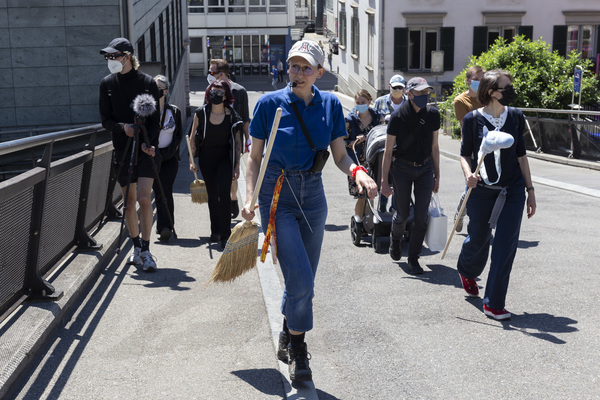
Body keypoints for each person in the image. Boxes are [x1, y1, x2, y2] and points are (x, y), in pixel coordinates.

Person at [242, 40, 377, 382]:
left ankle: (288, 331)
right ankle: (299, 352)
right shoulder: (269, 105)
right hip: (277, 194)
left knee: (304, 279)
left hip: (313, 195)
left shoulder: (330, 104)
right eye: (293, 66)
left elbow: (340, 155)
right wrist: (249, 198)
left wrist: (358, 171)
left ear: (320, 72)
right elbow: (254, 158)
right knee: (301, 279)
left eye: (306, 68)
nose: (298, 73)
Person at [457, 69, 536, 321]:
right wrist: (469, 174)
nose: (511, 91)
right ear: (492, 92)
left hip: (512, 191)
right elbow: (464, 154)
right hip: (481, 191)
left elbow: (522, 156)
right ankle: (467, 270)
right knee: (478, 239)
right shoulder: (472, 119)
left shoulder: (516, 116)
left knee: (505, 245)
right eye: (506, 88)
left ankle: (493, 303)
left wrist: (530, 190)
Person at [99, 37, 161, 272]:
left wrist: (148, 143)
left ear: (127, 57)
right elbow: (105, 120)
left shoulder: (147, 83)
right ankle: (135, 247)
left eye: (113, 56)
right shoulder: (107, 84)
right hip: (122, 150)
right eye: (108, 56)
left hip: (144, 150)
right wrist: (122, 127)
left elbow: (155, 120)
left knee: (144, 199)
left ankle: (146, 249)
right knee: (129, 202)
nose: (110, 60)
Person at [381, 77, 440, 275]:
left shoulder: (433, 114)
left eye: (426, 92)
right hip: (402, 169)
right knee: (402, 215)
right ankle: (395, 239)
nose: (425, 95)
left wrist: (437, 175)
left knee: (422, 217)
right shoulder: (397, 116)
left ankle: (413, 258)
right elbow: (388, 151)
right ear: (409, 94)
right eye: (420, 92)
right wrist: (384, 182)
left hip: (425, 168)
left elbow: (435, 147)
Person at [189, 80, 243, 248]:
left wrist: (236, 165)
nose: (215, 96)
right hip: (206, 159)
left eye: (219, 93)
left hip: (225, 158)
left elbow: (237, 143)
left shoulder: (232, 115)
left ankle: (226, 234)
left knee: (224, 193)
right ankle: (215, 230)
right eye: (213, 92)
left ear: (225, 96)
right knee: (212, 195)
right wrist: (191, 160)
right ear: (208, 94)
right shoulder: (201, 113)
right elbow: (192, 137)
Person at [207, 59, 250, 219]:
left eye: (211, 72)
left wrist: (248, 140)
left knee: (231, 175)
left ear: (221, 74)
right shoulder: (210, 90)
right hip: (214, 140)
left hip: (233, 141)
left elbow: (245, 118)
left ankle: (233, 198)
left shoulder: (240, 91)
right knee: (217, 176)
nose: (209, 75)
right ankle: (222, 204)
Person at [452, 66, 485, 232]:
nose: (480, 82)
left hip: (488, 146)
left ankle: (479, 224)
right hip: (471, 148)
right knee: (471, 184)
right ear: (468, 81)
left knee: (484, 185)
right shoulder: (460, 101)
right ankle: (461, 214)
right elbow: (465, 126)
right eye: (476, 79)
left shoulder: (488, 98)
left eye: (482, 79)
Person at [153, 74, 183, 242]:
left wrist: (168, 153)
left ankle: (166, 227)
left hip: (169, 157)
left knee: (166, 190)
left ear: (166, 91)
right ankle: (162, 226)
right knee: (158, 191)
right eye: (154, 88)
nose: (157, 91)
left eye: (160, 88)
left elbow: (178, 135)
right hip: (152, 156)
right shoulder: (146, 111)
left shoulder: (174, 111)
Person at [345, 89, 383, 217]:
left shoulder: (377, 117)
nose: (360, 105)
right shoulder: (350, 120)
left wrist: (366, 137)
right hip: (357, 163)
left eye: (363, 102)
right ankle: (359, 222)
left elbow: (382, 134)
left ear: (369, 101)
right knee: (361, 196)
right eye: (358, 102)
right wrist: (352, 142)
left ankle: (369, 221)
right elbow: (341, 142)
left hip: (373, 161)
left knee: (371, 194)